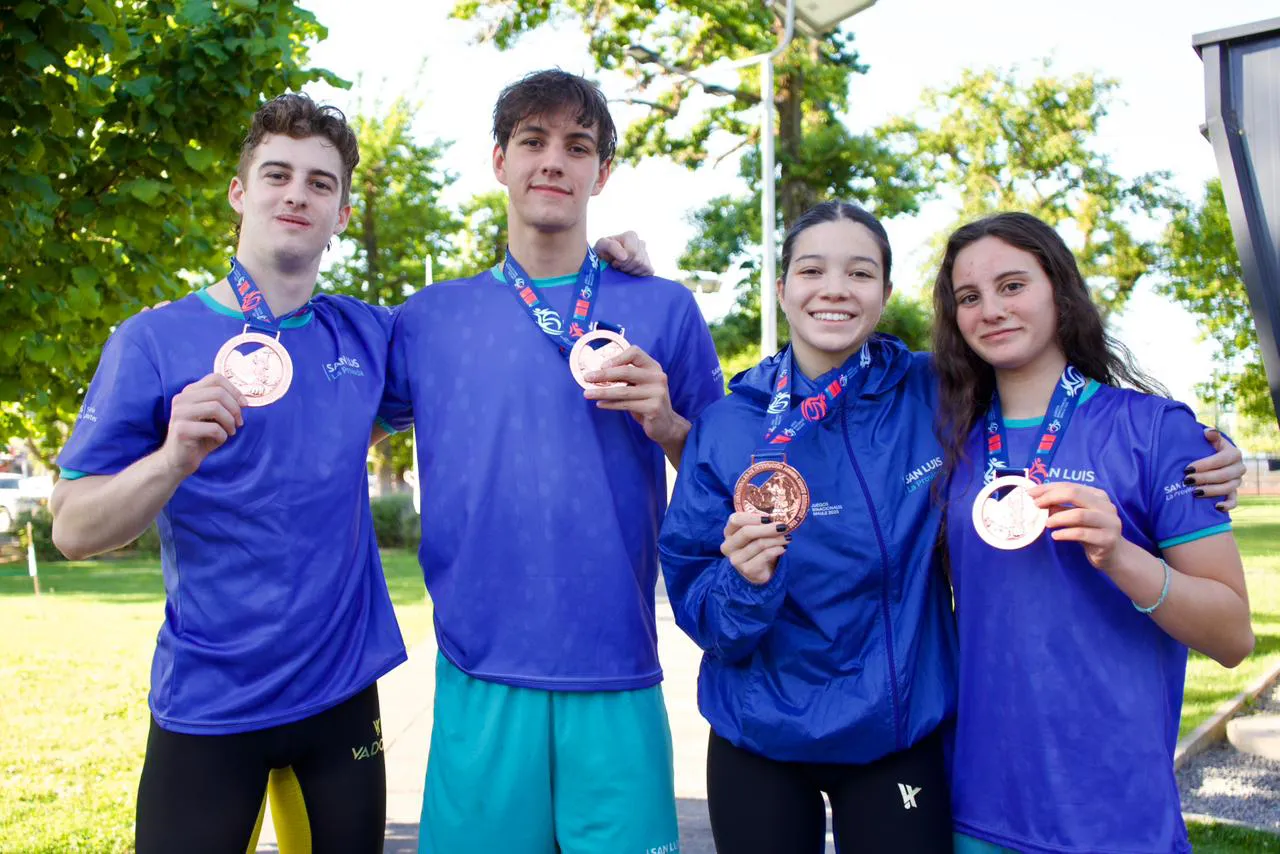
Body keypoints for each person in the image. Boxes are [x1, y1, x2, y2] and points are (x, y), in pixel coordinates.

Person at [49, 91, 654, 854]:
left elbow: (497, 338)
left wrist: (611, 267)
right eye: (276, 175)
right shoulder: (151, 342)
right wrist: (173, 458)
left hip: (340, 701)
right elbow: (73, 530)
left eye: (320, 182)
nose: (296, 195)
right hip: (208, 704)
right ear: (238, 192)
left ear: (341, 213)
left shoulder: (369, 335)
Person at [656, 201, 1245, 854]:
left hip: (898, 735)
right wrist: (743, 581)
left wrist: (1206, 453)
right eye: (812, 270)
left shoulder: (933, 396)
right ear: (781, 287)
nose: (834, 289)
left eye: (859, 272)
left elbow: (1072, 407)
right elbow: (699, 597)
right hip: (761, 731)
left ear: (885, 292)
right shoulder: (732, 423)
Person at [375, 69, 724, 854]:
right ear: (500, 161)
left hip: (617, 663)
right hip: (480, 667)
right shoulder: (428, 318)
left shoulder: (664, 306)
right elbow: (330, 426)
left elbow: (723, 474)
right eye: (533, 141)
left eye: (577, 145)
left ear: (603, 172)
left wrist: (668, 422)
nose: (554, 161)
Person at [932, 212, 1254, 854]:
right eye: (969, 297)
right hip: (975, 807)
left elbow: (1233, 637)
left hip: (1112, 814)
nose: (991, 309)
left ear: (1060, 290)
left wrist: (1119, 556)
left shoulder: (1156, 431)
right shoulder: (944, 434)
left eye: (1013, 285)